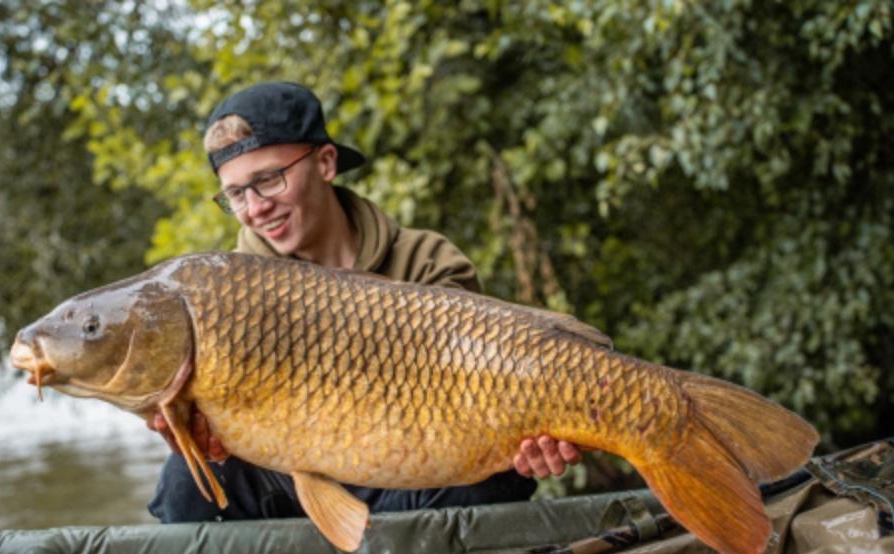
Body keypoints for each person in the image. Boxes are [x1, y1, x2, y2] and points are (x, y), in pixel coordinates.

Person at [147, 81, 583, 524]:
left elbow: (484, 390)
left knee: (500, 471)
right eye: (237, 194)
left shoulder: (425, 261)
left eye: (268, 179)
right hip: (288, 484)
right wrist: (205, 440)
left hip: (410, 471)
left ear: (325, 162)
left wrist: (527, 442)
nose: (255, 208)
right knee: (185, 479)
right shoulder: (225, 298)